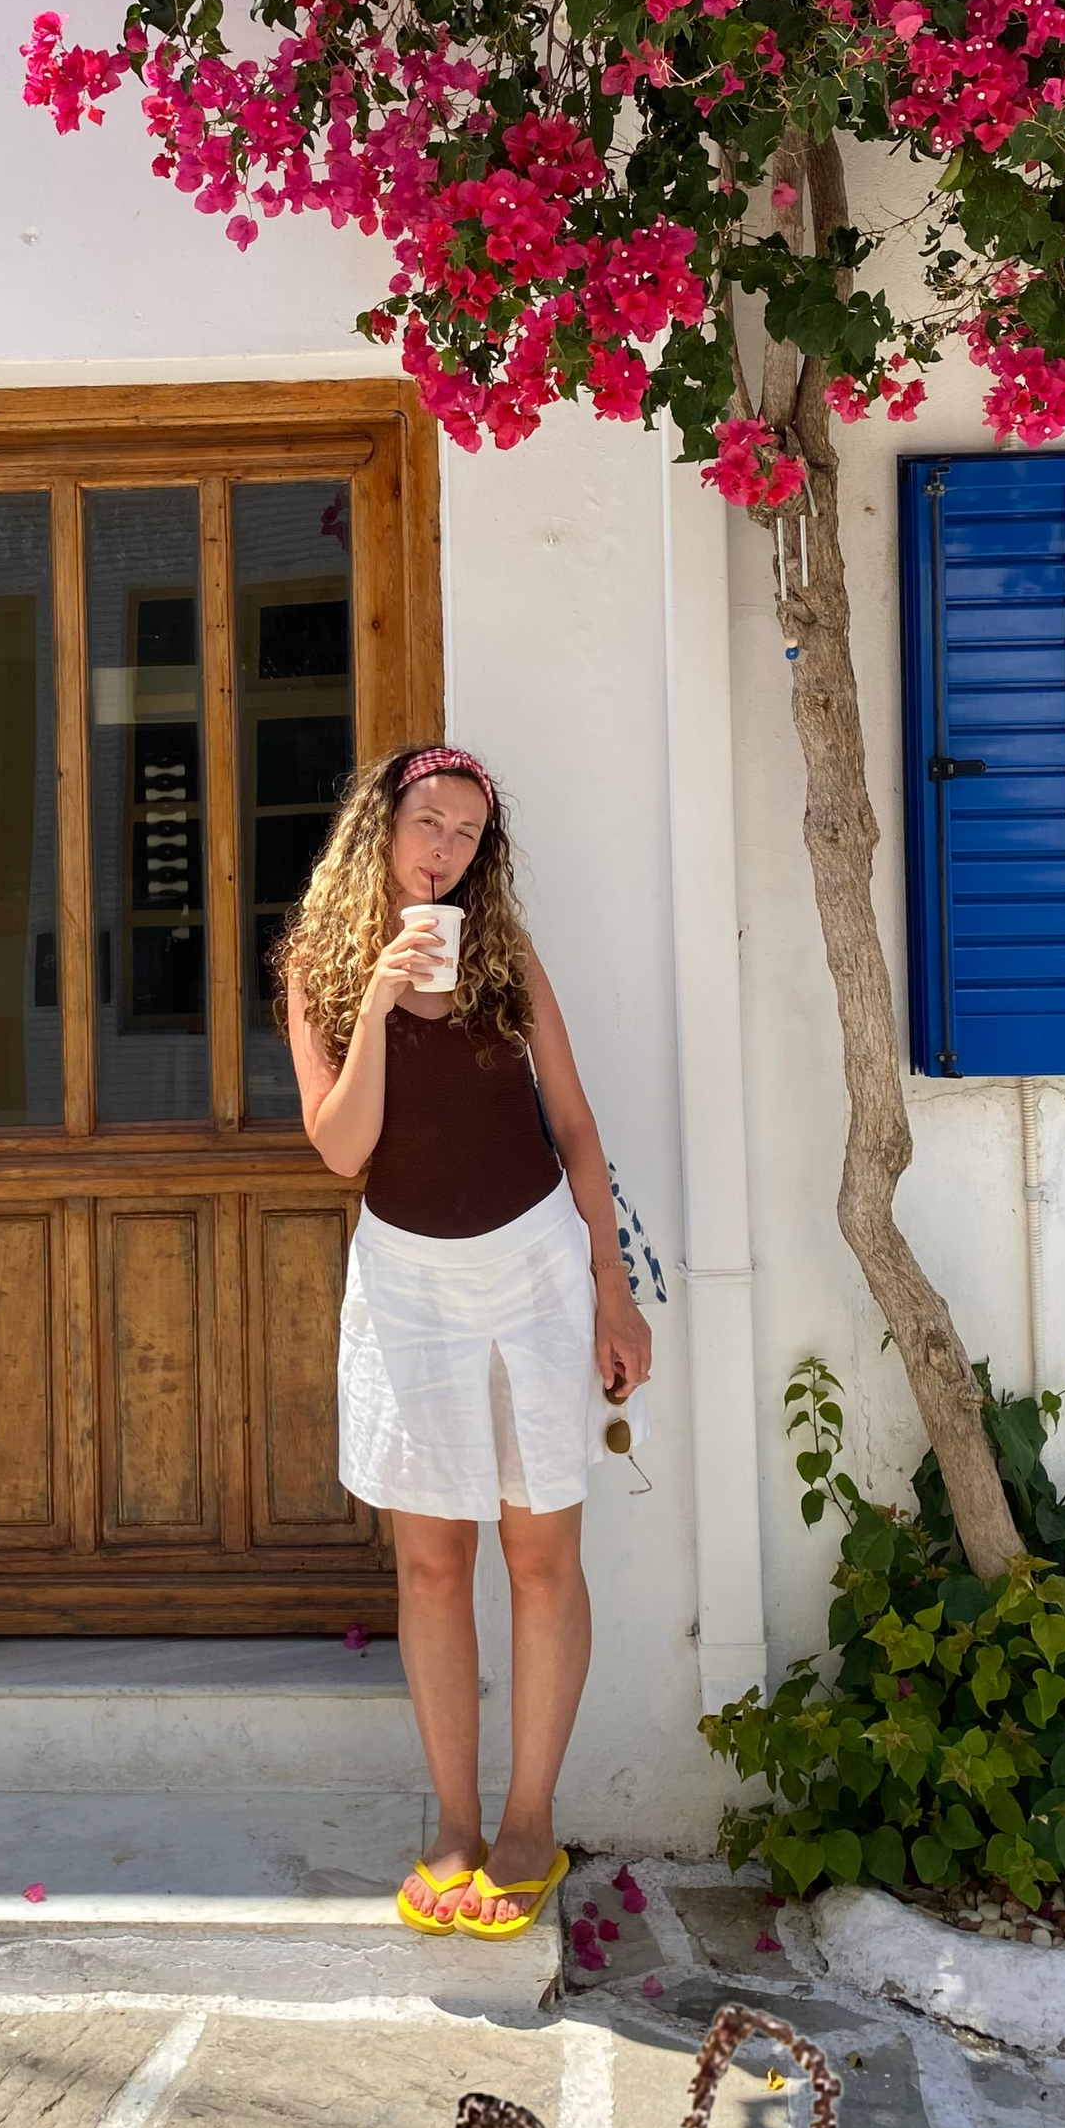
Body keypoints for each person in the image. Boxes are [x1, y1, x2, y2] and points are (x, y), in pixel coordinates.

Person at [279, 743, 652, 1938]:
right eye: (427, 822)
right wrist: (381, 1002)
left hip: (535, 1271)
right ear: (379, 828)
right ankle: (452, 1825)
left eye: (466, 832)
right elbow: (343, 1151)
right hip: (406, 1288)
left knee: (540, 1557)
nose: (443, 848)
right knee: (432, 1564)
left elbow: (575, 1128)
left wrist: (611, 1288)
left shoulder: (503, 955)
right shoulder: (318, 970)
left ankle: (528, 1820)